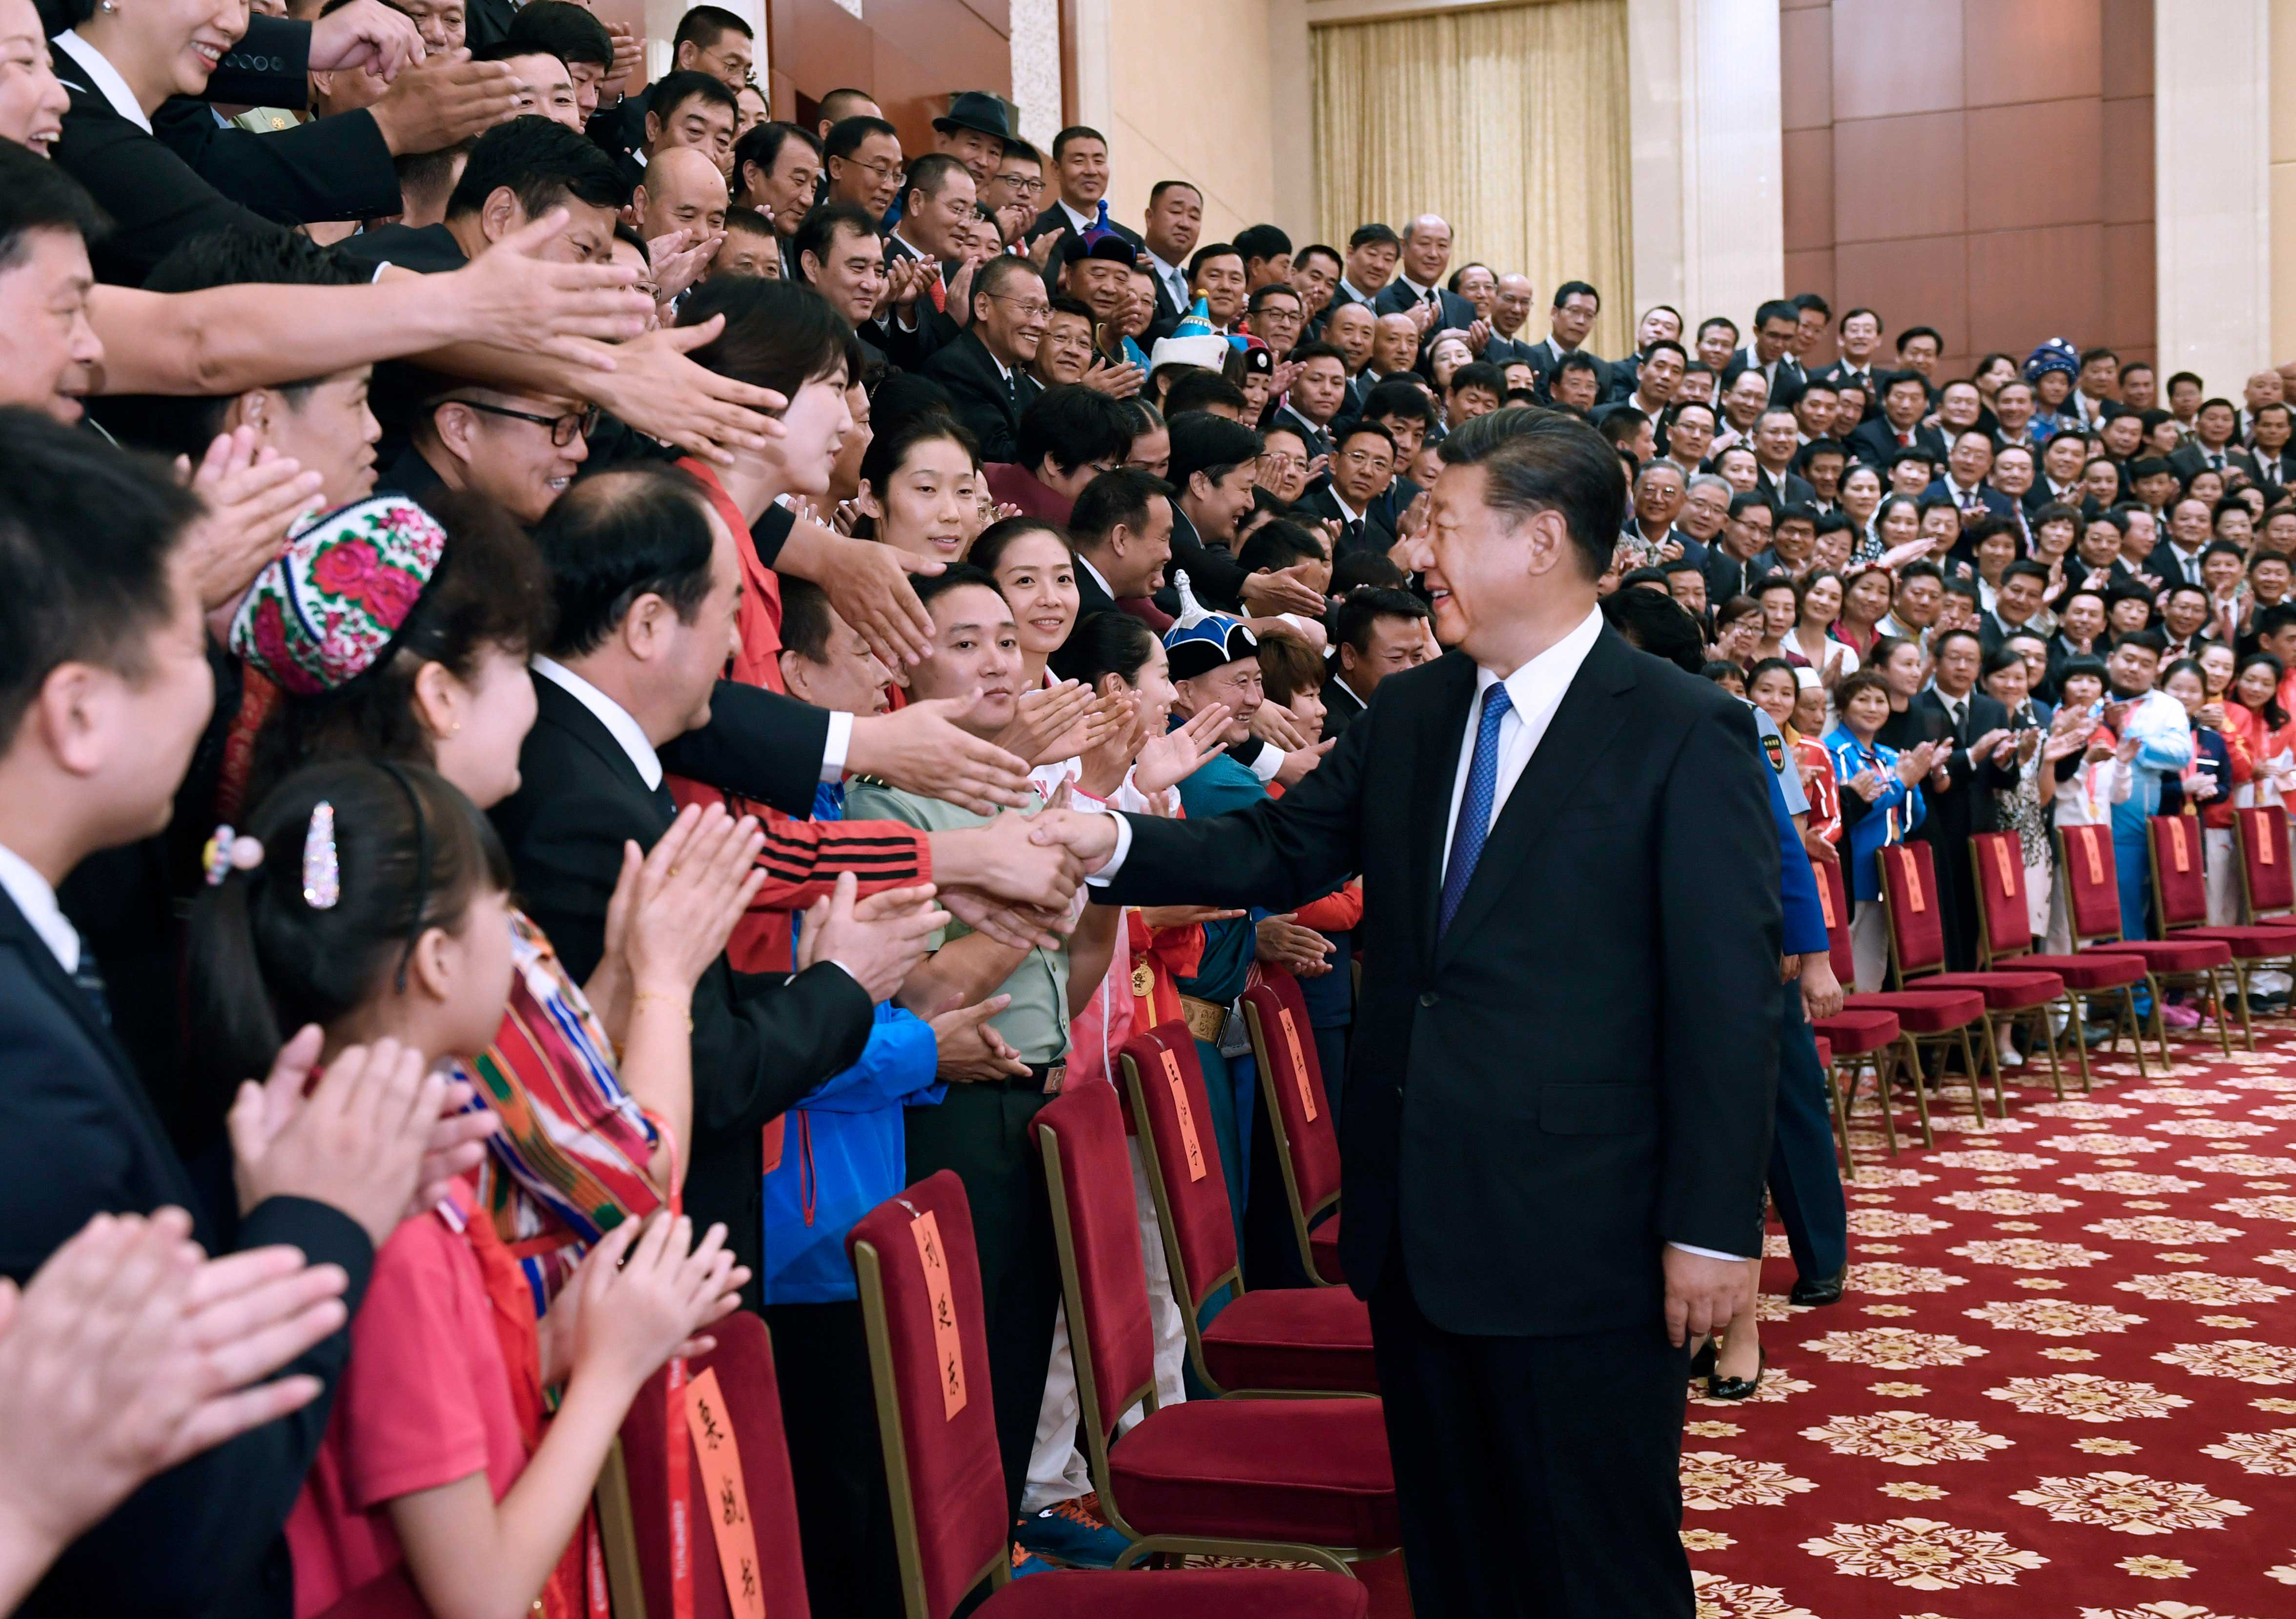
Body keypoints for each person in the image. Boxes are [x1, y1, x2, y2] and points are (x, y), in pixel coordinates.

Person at [1032, 407, 1781, 1619]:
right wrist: (1110, 839)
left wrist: (1713, 1223)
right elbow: (1280, 845)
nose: (1418, 551)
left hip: (1587, 1234)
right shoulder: (1423, 712)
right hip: (1422, 1223)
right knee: (1459, 1557)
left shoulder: (1683, 728)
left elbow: (1727, 995)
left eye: (1443, 521)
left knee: (1595, 1558)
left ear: (1540, 540)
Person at [0, 407, 494, 1618]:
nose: (219, 681)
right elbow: (169, 1536)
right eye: (187, 641)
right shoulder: (23, 1068)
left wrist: (253, 1188)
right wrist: (324, 1224)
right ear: (76, 713)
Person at [848, 565, 1121, 1521]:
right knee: (953, 1371)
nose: (998, 660)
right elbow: (918, 990)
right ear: (906, 665)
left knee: (1019, 1349)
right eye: (964, 642)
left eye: (1006, 638)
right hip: (951, 1109)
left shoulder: (1016, 790)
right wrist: (1028, 901)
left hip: (1034, 1095)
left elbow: (1064, 982)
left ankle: (1009, 1549)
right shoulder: (888, 806)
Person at [1825, 665, 1936, 990]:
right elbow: (1851, 812)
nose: (1873, 708)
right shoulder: (1834, 752)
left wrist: (1912, 783)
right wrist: (1901, 782)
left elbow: (1915, 819)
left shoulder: (1888, 755)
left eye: (1880, 701)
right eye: (1863, 700)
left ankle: (1866, 1041)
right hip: (1850, 870)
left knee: (1872, 968)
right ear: (1843, 708)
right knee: (1840, 968)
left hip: (1887, 873)